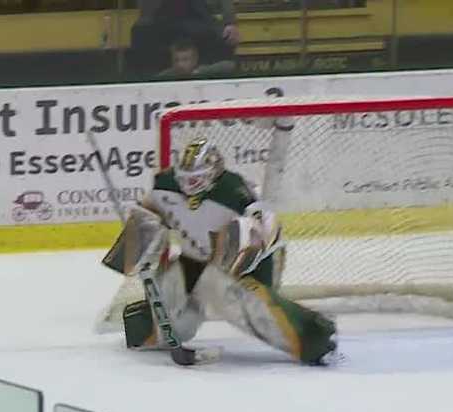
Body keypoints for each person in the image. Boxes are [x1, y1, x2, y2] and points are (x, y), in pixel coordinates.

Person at [105, 121, 339, 366]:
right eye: (185, 178)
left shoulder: (235, 193)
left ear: (213, 172)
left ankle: (311, 336)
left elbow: (266, 234)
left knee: (224, 292)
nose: (189, 185)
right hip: (192, 263)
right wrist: (137, 246)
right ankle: (145, 326)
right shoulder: (166, 186)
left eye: (197, 179)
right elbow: (148, 215)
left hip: (245, 269)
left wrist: (233, 269)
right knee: (177, 325)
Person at [131, 0, 239, 75]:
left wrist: (230, 22)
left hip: (197, 14)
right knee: (140, 32)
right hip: (161, 15)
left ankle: (204, 74)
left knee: (225, 35)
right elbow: (146, 11)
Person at [157, 38, 234, 78]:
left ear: (195, 60)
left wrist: (202, 72)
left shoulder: (202, 71)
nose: (180, 64)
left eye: (185, 60)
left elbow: (230, 65)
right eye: (176, 60)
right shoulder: (167, 75)